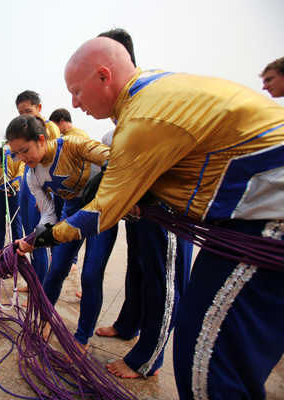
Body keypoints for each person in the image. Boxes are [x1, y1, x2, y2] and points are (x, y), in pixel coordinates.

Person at [58, 37, 284, 399]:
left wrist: (43, 238)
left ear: (103, 76)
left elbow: (100, 211)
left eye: (76, 90)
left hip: (269, 219)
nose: (74, 102)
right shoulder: (153, 90)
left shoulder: (143, 116)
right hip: (249, 219)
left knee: (209, 364)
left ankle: (149, 358)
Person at [88, 27, 193, 380]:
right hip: (140, 207)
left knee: (163, 279)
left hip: (169, 208)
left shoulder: (153, 96)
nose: (78, 100)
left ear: (109, 66)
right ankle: (129, 323)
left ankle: (148, 358)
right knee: (139, 265)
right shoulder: (125, 105)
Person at [7, 114, 115, 352]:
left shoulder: (72, 144)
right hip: (71, 211)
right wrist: (34, 239)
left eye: (25, 151)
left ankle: (82, 339)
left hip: (101, 211)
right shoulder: (32, 175)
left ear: (42, 140)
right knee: (56, 270)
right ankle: (45, 320)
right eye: (17, 154)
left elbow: (113, 159)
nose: (22, 158)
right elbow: (48, 215)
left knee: (90, 276)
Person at [14, 90, 60, 285]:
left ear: (39, 108)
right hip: (27, 182)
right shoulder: (23, 131)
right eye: (21, 113)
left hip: (41, 185)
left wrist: (46, 196)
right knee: (27, 234)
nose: (25, 115)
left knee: (37, 236)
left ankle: (41, 287)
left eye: (29, 110)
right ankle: (34, 283)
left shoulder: (50, 128)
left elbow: (55, 163)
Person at [0, 144, 23, 256]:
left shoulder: (19, 152)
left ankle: (17, 246)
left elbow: (21, 171)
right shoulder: (0, 152)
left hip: (13, 191)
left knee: (15, 220)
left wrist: (14, 186)